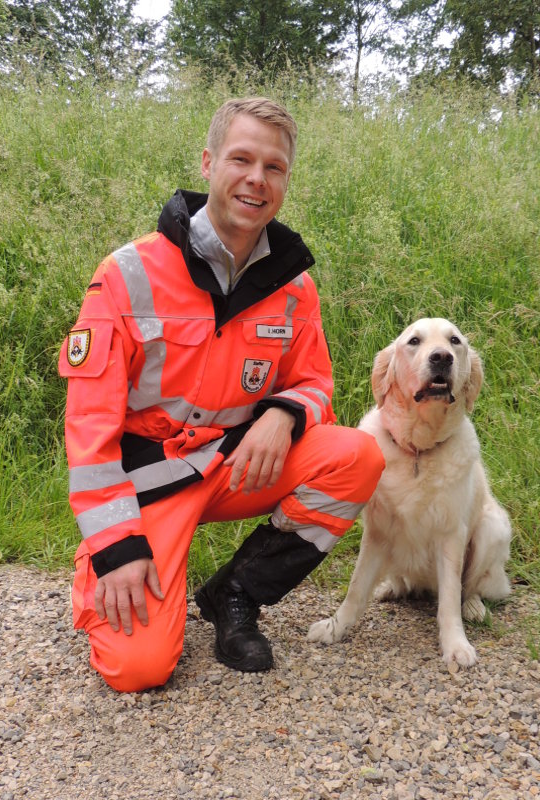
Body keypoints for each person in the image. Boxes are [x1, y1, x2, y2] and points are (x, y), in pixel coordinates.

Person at [58, 97, 385, 693]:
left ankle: (234, 593)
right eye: (241, 159)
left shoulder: (293, 289)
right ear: (208, 163)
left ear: (286, 180)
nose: (256, 179)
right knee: (138, 670)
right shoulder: (128, 275)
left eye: (274, 167)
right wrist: (115, 547)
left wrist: (284, 414)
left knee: (358, 455)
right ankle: (124, 566)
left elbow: (315, 385)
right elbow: (88, 429)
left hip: (234, 466)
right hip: (148, 484)